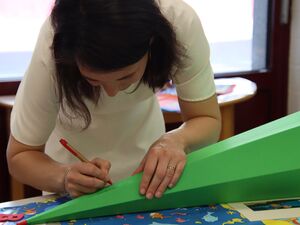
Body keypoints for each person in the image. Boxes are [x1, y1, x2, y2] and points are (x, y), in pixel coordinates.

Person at [6, 0, 221, 199]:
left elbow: (207, 118)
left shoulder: (178, 22)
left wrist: (175, 141)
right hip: (73, 190)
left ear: (152, 42)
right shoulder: (56, 44)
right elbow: (20, 155)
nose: (111, 92)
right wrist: (64, 176)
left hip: (150, 179)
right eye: (93, 79)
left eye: (126, 77)